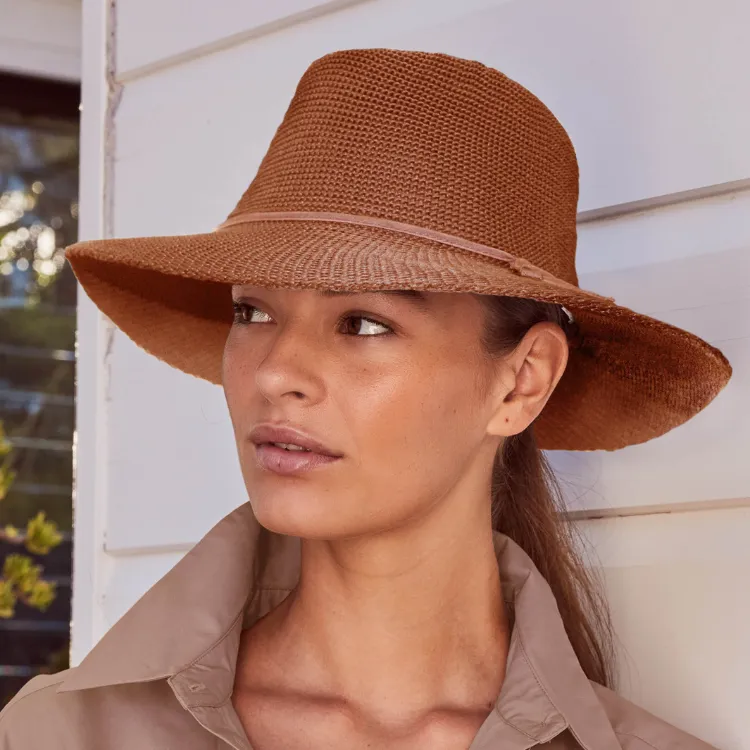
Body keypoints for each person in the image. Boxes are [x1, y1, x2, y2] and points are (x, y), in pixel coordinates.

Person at [0, 48, 731, 749]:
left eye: (363, 323)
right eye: (252, 312)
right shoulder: (55, 737)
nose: (274, 371)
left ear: (521, 381)